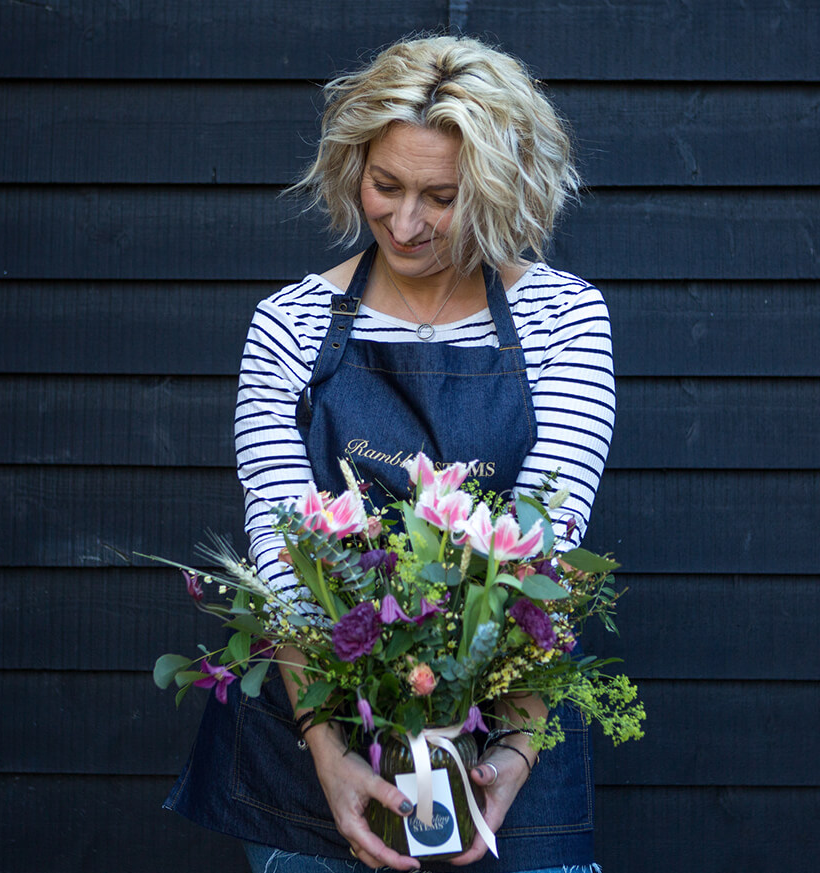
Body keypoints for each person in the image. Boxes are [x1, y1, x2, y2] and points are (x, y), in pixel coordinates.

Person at [164, 34, 614, 873]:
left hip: (507, 728)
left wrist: (512, 748)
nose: (406, 223)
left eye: (442, 196)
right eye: (386, 185)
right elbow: (281, 546)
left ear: (499, 186)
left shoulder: (564, 320)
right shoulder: (290, 327)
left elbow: (548, 537)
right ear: (352, 167)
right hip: (315, 734)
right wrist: (329, 750)